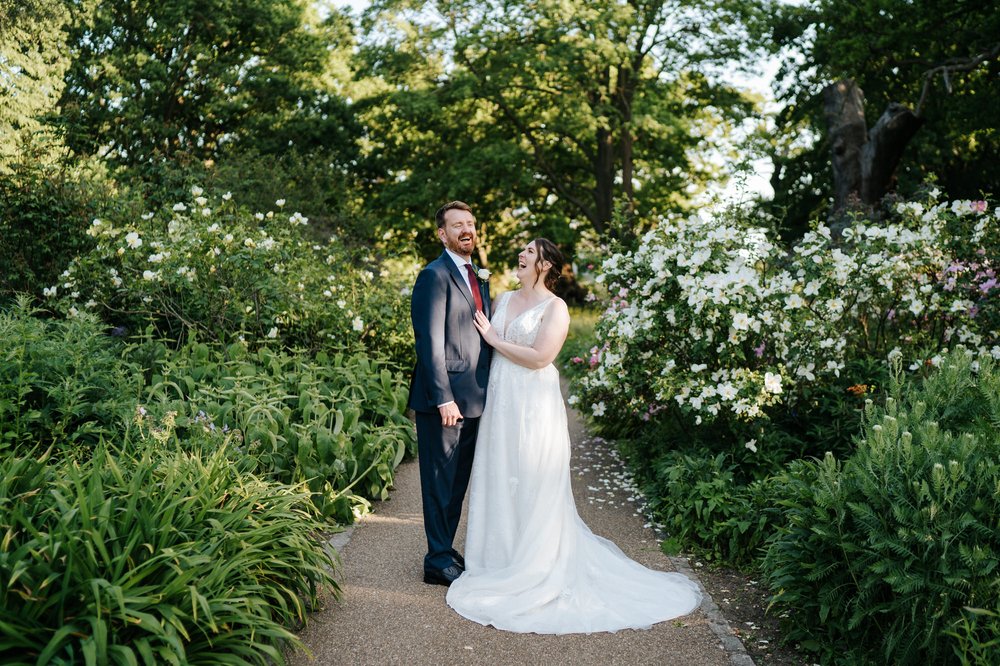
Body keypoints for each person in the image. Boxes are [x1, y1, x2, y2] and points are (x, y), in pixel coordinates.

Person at [445, 238, 702, 634]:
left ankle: (537, 565)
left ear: (545, 264)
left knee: (532, 478)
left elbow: (541, 357)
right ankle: (496, 561)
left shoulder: (557, 307)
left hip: (533, 402)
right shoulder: (501, 300)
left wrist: (496, 340)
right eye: (523, 251)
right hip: (501, 399)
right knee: (499, 473)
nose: (521, 256)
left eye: (529, 252)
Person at [409, 201, 492, 587]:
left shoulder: (477, 275)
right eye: (458, 225)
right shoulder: (434, 275)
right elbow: (429, 342)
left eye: (471, 224)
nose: (467, 230)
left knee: (457, 481)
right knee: (439, 480)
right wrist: (444, 398)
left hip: (473, 396)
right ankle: (436, 560)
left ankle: (445, 549)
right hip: (444, 401)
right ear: (442, 234)